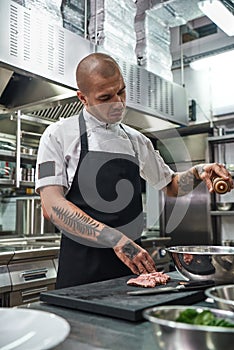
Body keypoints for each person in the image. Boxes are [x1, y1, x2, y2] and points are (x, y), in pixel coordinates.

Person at [35, 52, 233, 289]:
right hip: (81, 269)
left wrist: (198, 172)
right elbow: (52, 206)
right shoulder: (58, 135)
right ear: (83, 98)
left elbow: (171, 186)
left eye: (121, 91)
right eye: (105, 97)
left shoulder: (136, 140)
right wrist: (116, 239)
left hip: (132, 269)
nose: (118, 103)